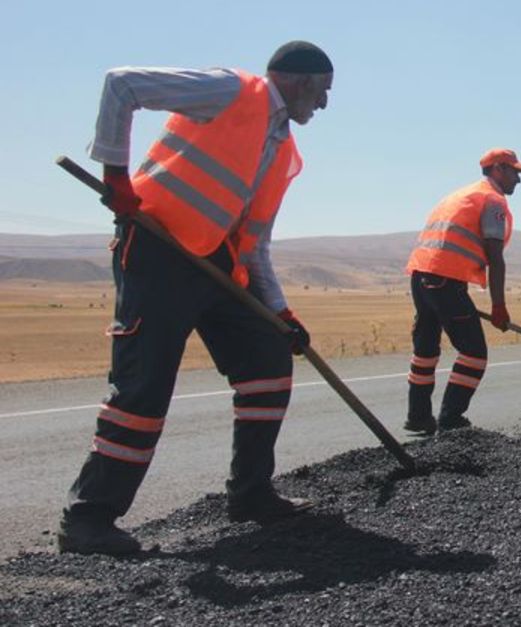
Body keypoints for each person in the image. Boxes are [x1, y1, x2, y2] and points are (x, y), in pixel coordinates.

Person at [58, 42, 334, 555]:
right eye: (324, 92)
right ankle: (88, 520)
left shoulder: (283, 149)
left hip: (218, 267)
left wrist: (280, 312)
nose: (323, 105)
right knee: (144, 386)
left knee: (268, 363)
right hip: (159, 250)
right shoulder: (232, 90)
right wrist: (116, 175)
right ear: (302, 80)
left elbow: (257, 242)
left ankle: (250, 494)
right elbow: (123, 82)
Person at [402, 148, 521, 435]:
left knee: (426, 350)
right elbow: (495, 257)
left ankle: (418, 417)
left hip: (422, 275)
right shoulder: (492, 200)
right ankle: (451, 419)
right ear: (497, 169)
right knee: (474, 353)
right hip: (444, 279)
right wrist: (498, 306)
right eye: (514, 172)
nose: (518, 180)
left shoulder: (459, 195)